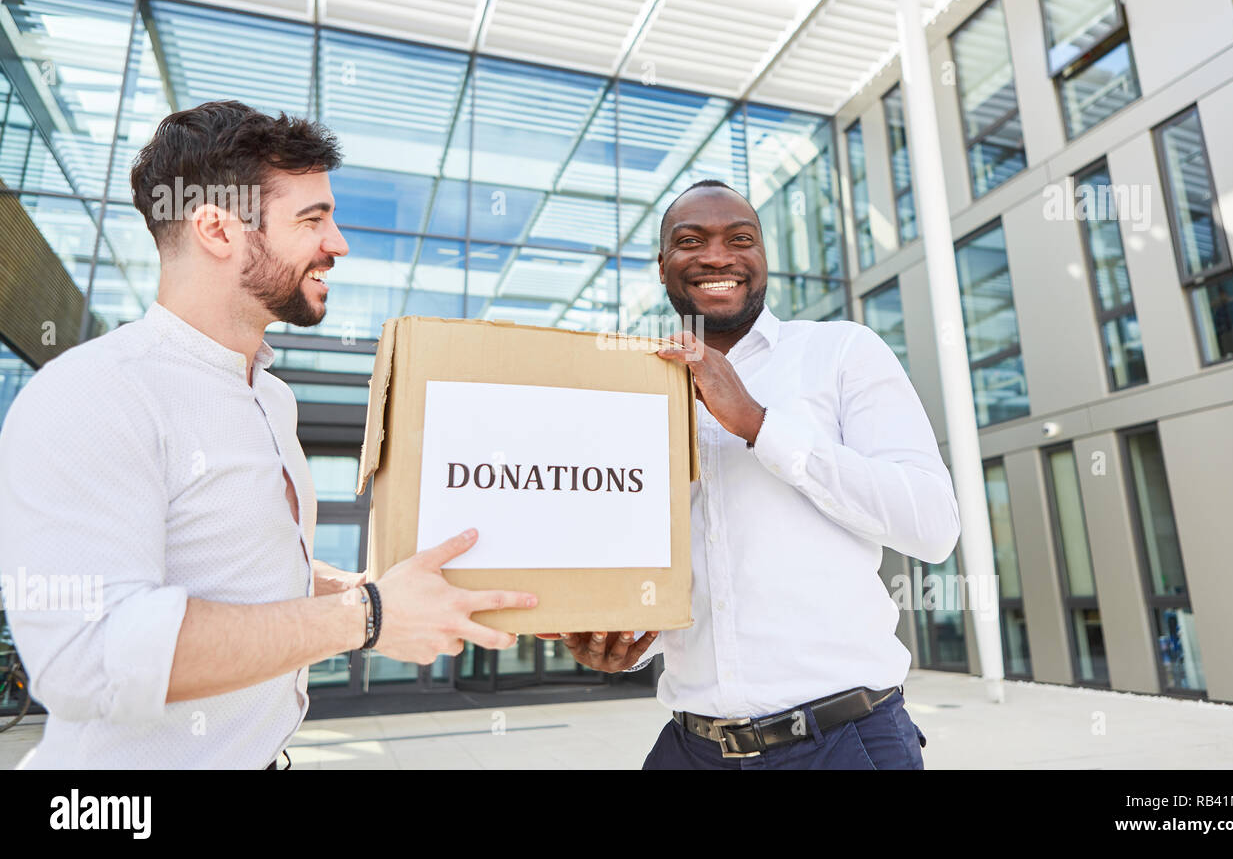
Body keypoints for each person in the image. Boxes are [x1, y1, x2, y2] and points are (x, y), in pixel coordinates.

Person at [0, 100, 536, 769]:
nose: (337, 244)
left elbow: (238, 564)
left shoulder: (269, 396)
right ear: (219, 230)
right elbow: (90, 658)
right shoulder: (93, 393)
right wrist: (368, 615)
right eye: (312, 220)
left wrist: (368, 589)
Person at [548, 179, 960, 769]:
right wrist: (627, 646)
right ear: (663, 266)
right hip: (691, 747)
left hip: (844, 741)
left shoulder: (842, 352)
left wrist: (758, 424)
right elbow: (647, 559)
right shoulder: (626, 387)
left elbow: (932, 526)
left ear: (762, 258)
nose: (717, 256)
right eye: (691, 241)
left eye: (740, 239)